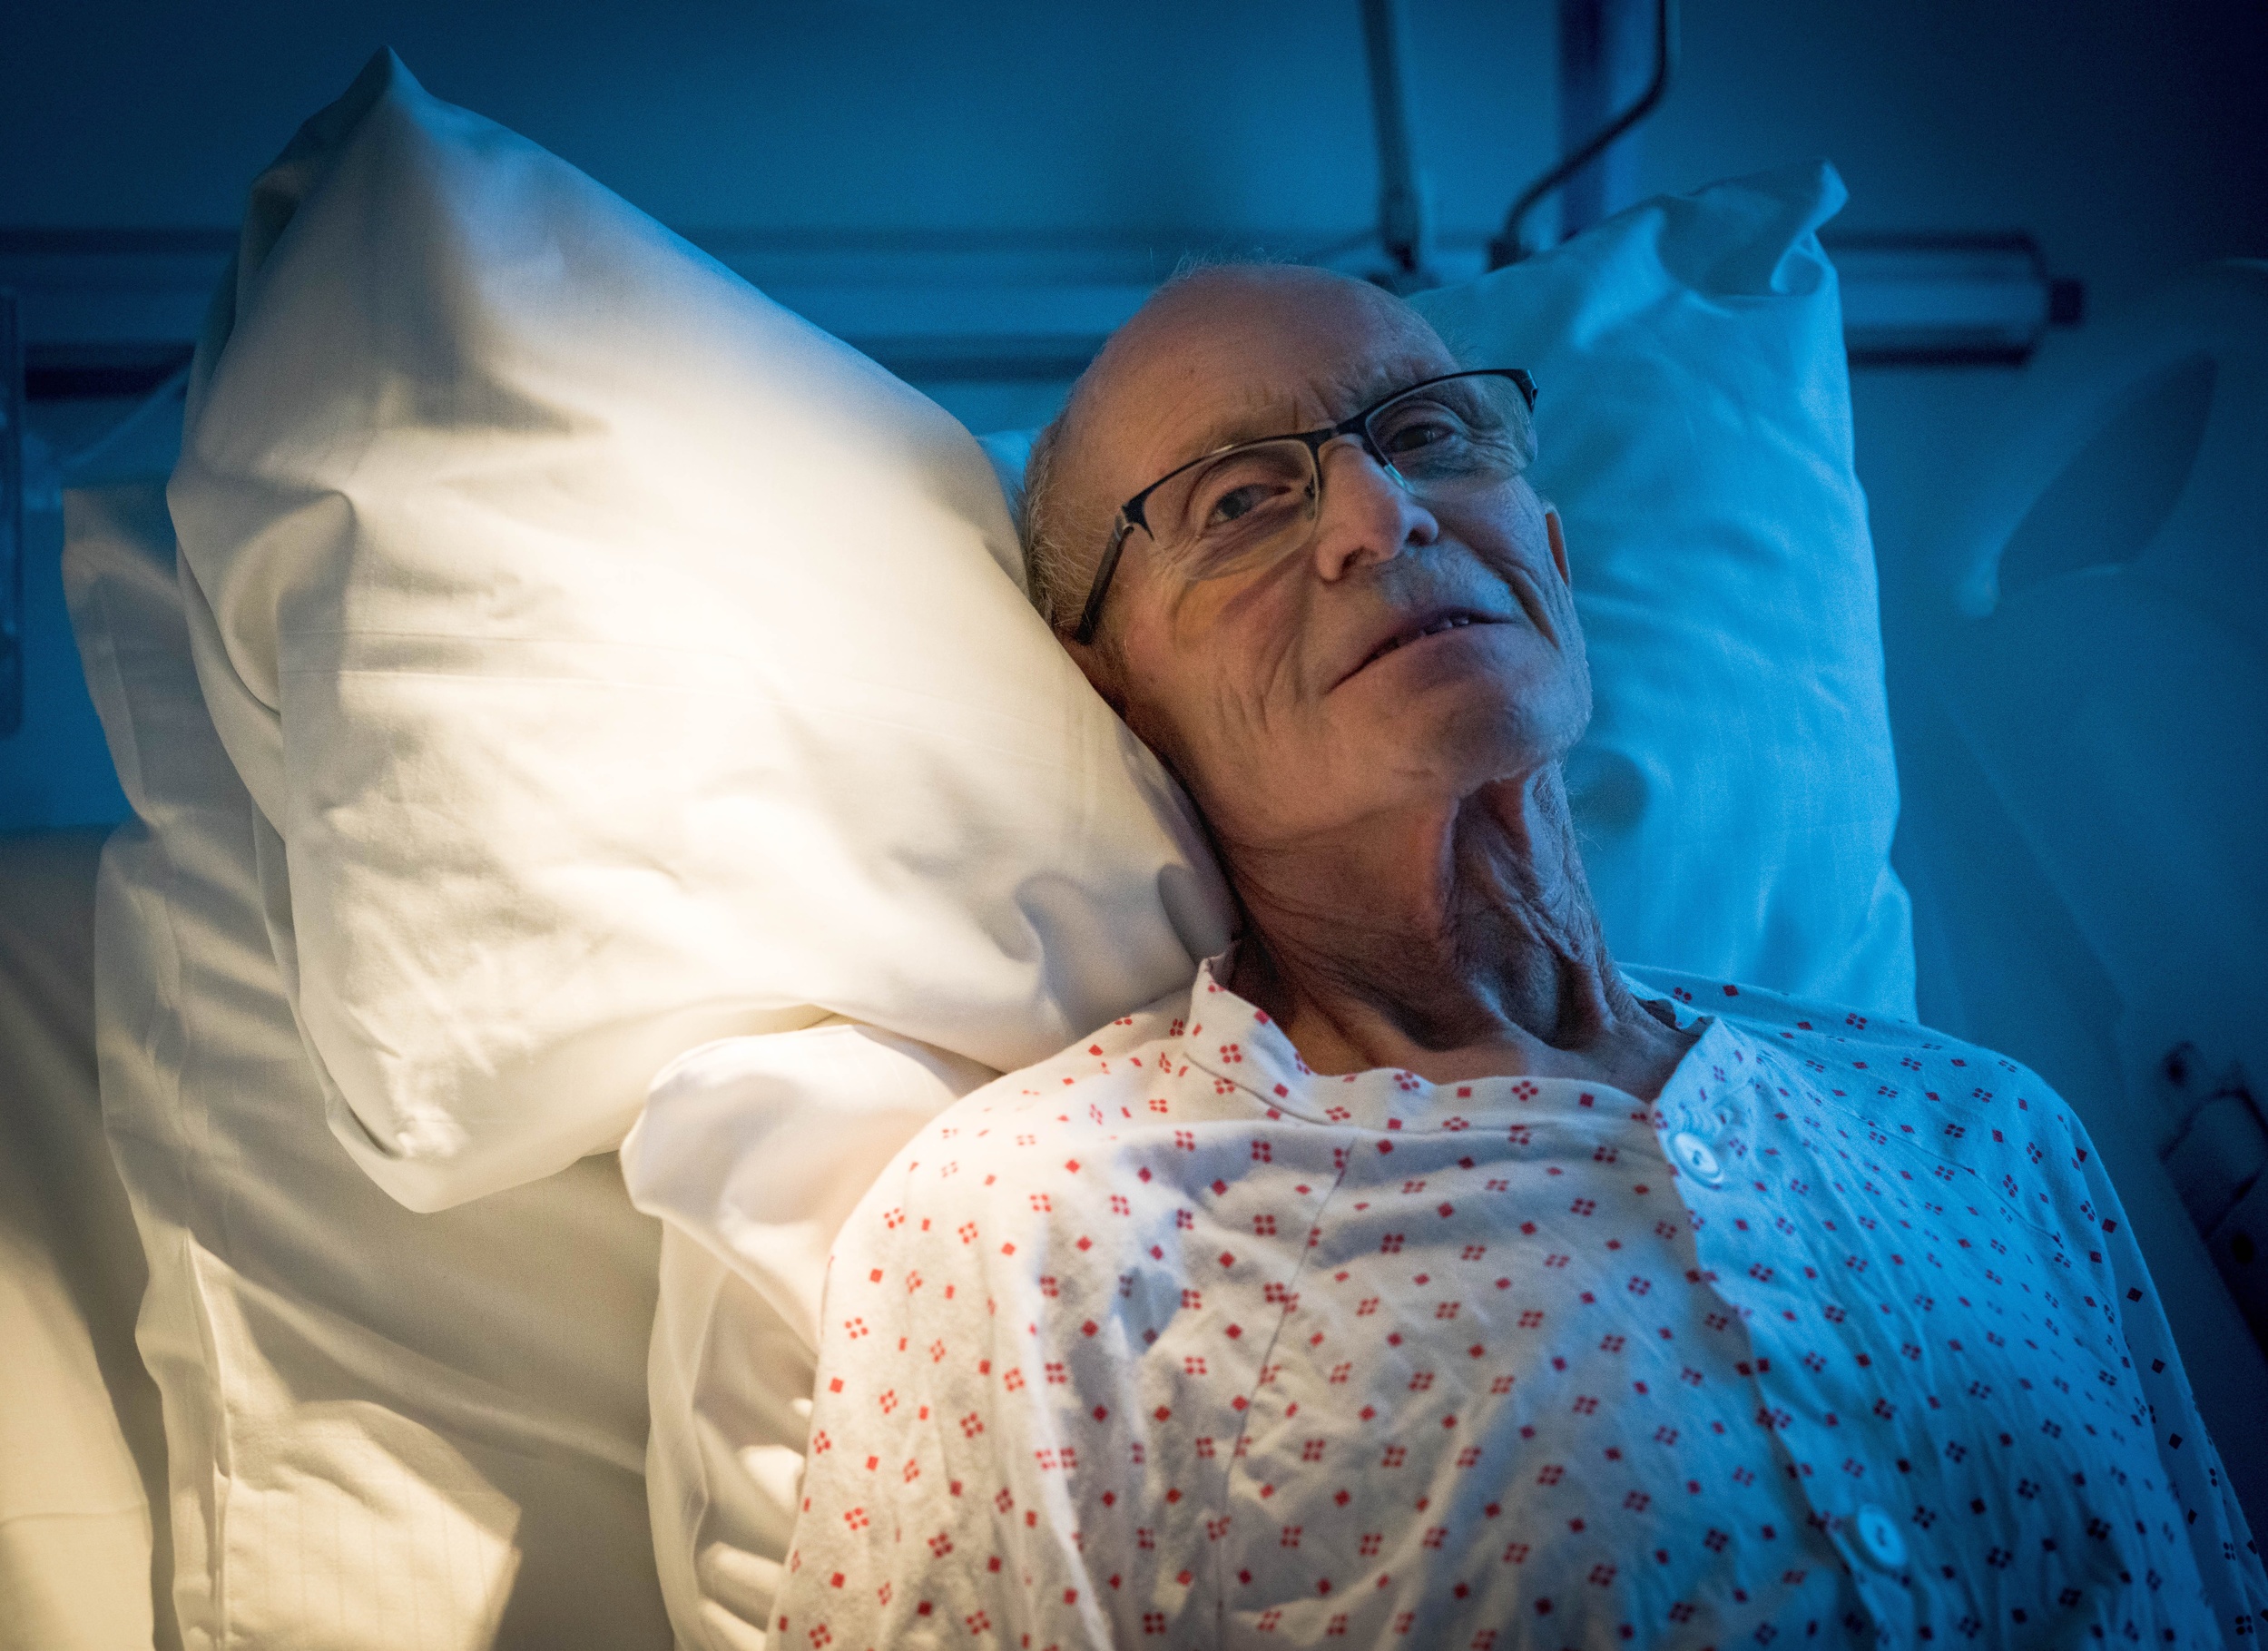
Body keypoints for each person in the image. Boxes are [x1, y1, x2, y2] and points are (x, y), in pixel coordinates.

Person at [769, 266, 2263, 1648]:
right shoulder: (1047, 1230)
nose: (1381, 514)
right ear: (1115, 697)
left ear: (1544, 551)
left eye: (1428, 436)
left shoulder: (1982, 1131)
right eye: (1239, 502)